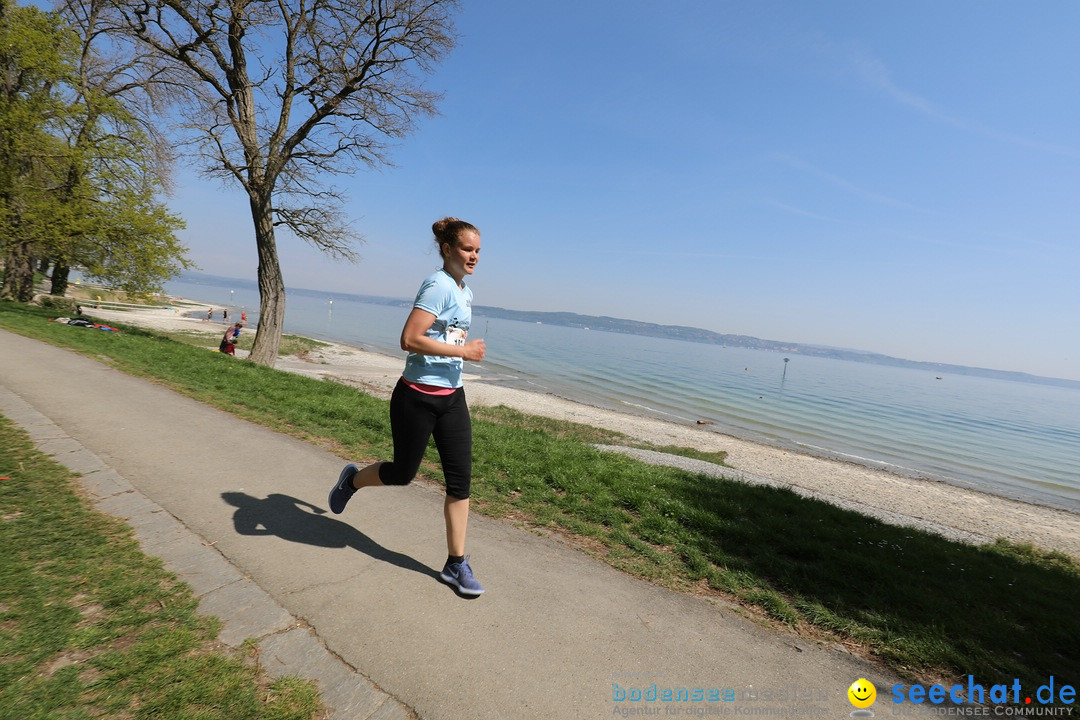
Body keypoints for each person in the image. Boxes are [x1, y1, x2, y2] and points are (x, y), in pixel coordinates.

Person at [328, 217, 487, 596]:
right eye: (467, 249)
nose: (474, 256)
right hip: (416, 397)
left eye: (478, 251)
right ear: (447, 249)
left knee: (460, 483)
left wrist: (458, 355)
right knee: (402, 474)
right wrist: (462, 350)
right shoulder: (437, 285)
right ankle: (351, 480)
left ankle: (456, 564)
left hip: (452, 398)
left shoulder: (465, 291)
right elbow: (409, 338)